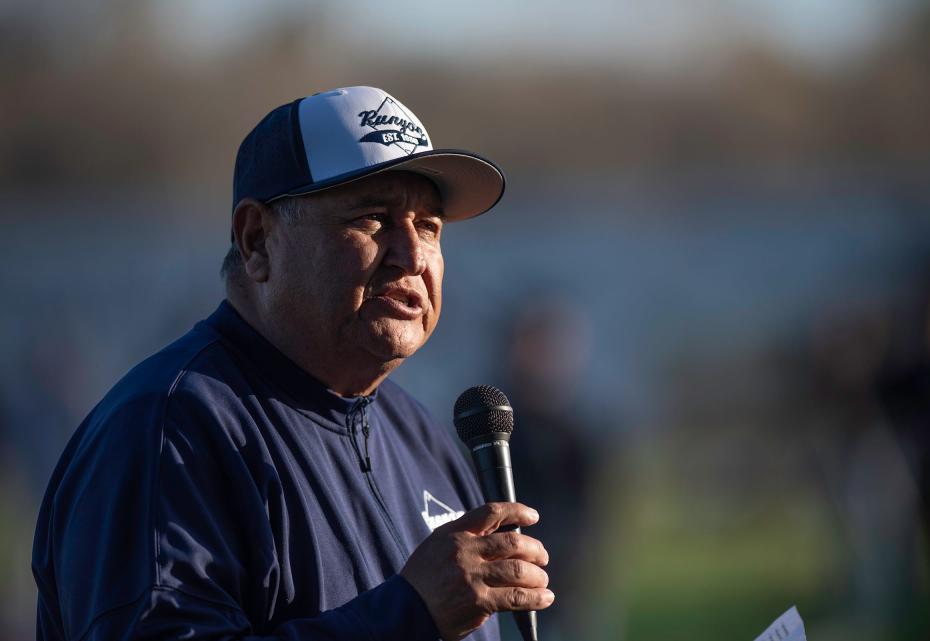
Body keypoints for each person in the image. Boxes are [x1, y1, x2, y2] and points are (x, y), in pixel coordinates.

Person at [32, 86, 553, 641]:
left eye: (428, 226)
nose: (412, 255)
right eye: (374, 218)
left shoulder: (420, 437)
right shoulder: (172, 431)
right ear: (257, 241)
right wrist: (407, 616)